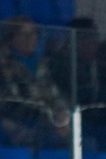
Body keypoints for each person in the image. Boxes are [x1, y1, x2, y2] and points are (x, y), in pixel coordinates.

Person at [0, 15, 69, 149]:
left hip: (47, 126)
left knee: (82, 143)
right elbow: (10, 103)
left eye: (33, 33)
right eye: (24, 34)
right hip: (16, 126)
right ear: (10, 37)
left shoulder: (42, 65)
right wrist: (44, 118)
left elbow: (56, 97)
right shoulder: (3, 65)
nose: (30, 38)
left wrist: (62, 118)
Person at [44, 16, 96, 107]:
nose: (94, 43)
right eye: (90, 38)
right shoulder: (60, 65)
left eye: (95, 37)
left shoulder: (92, 63)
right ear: (76, 39)